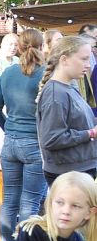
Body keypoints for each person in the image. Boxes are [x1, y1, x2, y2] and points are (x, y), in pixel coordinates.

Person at [0, 28, 47, 241]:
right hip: (35, 143)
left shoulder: (8, 73)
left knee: (10, 200)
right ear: (42, 47)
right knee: (30, 202)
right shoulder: (45, 74)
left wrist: (10, 129)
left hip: (11, 143)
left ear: (20, 48)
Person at [37, 35, 97, 185]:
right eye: (83, 59)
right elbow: (52, 138)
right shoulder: (55, 93)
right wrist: (90, 133)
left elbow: (78, 122)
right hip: (68, 174)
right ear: (64, 60)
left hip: (80, 169)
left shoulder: (68, 88)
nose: (88, 65)